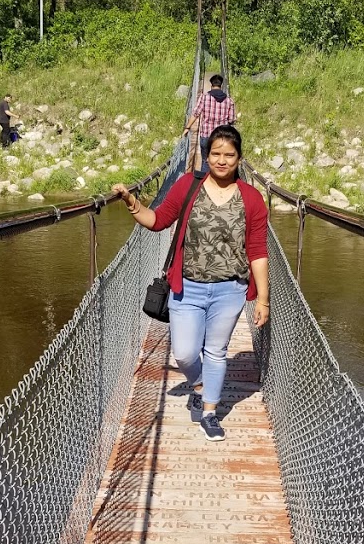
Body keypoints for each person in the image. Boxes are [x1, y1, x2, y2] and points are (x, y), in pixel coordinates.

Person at [112, 124, 269, 442]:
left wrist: (262, 298)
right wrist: (132, 202)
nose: (222, 161)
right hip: (187, 286)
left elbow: (257, 251)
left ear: (239, 158)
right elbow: (157, 221)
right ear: (206, 155)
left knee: (215, 351)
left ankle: (210, 412)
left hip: (231, 289)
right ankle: (200, 386)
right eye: (216, 154)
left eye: (229, 155)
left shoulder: (251, 199)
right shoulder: (188, 185)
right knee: (184, 353)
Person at [185, 74, 236, 172]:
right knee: (220, 163)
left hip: (206, 136)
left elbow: (195, 114)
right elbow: (231, 120)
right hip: (222, 137)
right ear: (221, 86)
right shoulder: (229, 101)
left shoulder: (204, 98)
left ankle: (204, 184)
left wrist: (187, 128)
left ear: (212, 86)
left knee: (206, 161)